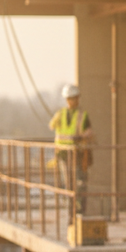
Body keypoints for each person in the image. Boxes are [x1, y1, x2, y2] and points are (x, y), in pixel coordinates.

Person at [49, 84, 93, 213]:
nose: (73, 101)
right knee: (69, 184)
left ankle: (78, 210)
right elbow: (52, 126)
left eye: (75, 98)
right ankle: (71, 211)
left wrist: (80, 137)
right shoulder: (60, 114)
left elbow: (89, 132)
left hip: (77, 154)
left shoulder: (82, 115)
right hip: (63, 154)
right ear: (67, 99)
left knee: (79, 183)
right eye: (71, 98)